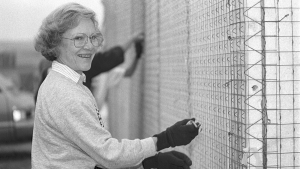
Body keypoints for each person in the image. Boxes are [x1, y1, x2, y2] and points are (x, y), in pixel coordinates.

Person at [32, 3, 199, 169]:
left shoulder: (61, 81)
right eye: (78, 38)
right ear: (55, 43)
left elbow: (82, 160)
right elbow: (109, 155)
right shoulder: (66, 94)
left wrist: (146, 163)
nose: (90, 46)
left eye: (93, 37)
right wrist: (165, 139)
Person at [34, 31, 143, 102]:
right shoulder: (79, 65)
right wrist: (132, 39)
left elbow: (111, 59)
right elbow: (110, 58)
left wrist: (137, 54)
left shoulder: (94, 68)